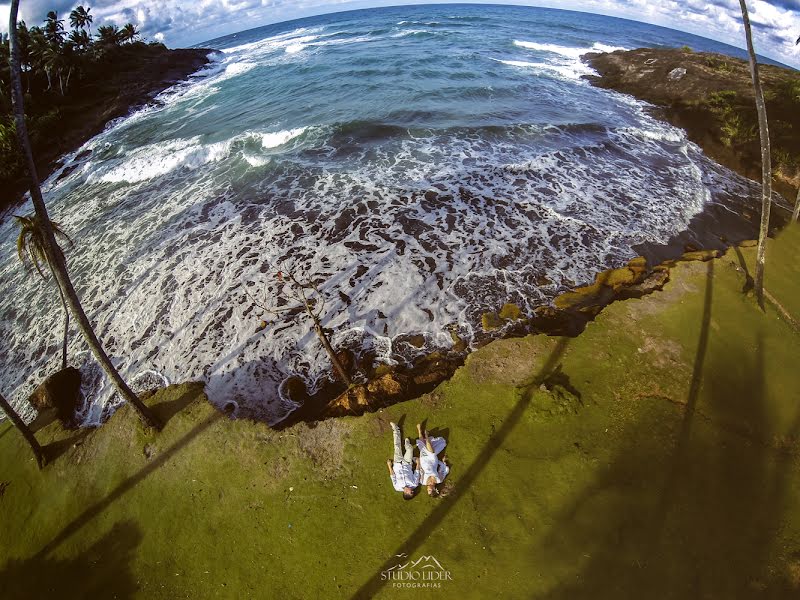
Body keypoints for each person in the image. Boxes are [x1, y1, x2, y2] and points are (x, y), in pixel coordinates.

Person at [387, 421, 420, 500]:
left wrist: (389, 465)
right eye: (413, 492)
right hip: (407, 463)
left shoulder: (397, 487)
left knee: (397, 446)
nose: (412, 491)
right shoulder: (414, 484)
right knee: (410, 449)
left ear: (406, 493)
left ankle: (396, 429)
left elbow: (393, 476)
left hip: (397, 463)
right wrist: (418, 463)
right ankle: (407, 444)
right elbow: (417, 472)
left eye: (411, 493)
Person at [416, 423, 450, 497]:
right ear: (434, 489)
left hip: (424, 461)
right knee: (434, 450)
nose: (428, 489)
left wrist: (418, 462)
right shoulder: (439, 480)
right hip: (433, 461)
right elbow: (444, 470)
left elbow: (420, 471)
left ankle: (420, 431)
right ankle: (426, 436)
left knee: (422, 446)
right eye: (429, 490)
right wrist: (442, 462)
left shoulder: (422, 481)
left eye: (427, 490)